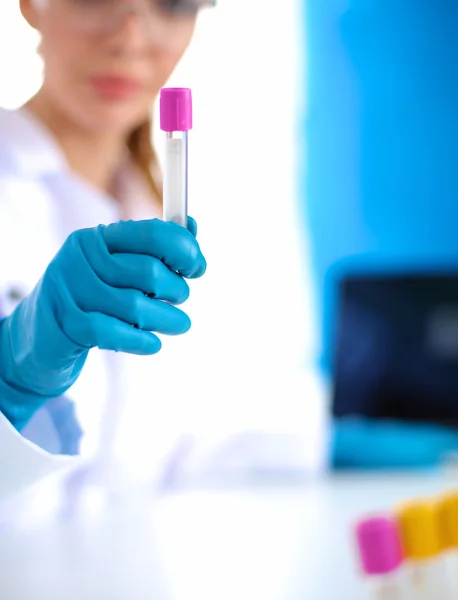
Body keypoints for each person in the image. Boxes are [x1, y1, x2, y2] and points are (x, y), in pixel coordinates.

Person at [0, 0, 215, 500]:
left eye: (174, 3)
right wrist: (10, 381)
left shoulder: (155, 211)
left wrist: (320, 443)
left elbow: (182, 441)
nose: (130, 39)